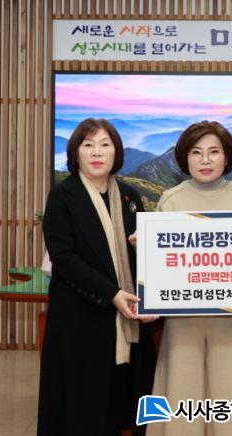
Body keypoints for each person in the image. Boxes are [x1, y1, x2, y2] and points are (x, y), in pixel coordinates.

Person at [38, 118, 156, 436]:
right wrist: (112, 294)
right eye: (88, 145)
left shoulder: (130, 197)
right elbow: (65, 259)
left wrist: (145, 253)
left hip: (128, 317)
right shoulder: (63, 196)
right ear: (75, 153)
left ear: (116, 152)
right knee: (82, 407)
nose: (97, 152)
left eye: (105, 145)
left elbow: (147, 256)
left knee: (122, 402)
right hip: (81, 318)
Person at [146, 121, 232, 436]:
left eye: (214, 152)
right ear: (185, 158)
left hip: (231, 319)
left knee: (229, 398)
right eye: (196, 152)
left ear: (227, 157)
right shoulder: (170, 199)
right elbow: (159, 264)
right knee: (180, 398)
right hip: (181, 319)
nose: (205, 160)